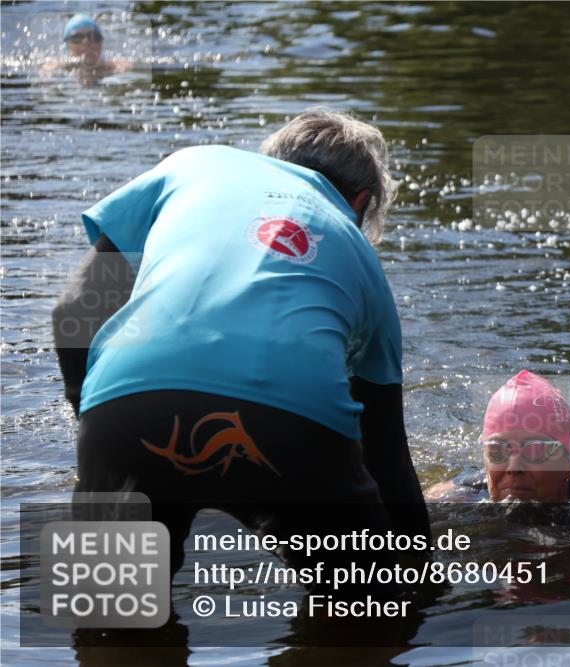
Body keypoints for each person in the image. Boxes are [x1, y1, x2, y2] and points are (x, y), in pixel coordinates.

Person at [52, 109, 431, 593]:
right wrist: (419, 587)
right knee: (367, 614)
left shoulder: (192, 166)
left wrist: (98, 427)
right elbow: (388, 459)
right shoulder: (365, 265)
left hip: (126, 404)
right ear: (359, 201)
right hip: (290, 427)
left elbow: (74, 313)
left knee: (108, 622)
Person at [425, 370, 570, 504]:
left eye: (535, 450)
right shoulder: (464, 493)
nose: (514, 468)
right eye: (497, 450)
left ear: (568, 461)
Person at [41, 14, 131, 84]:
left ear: (101, 42)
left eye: (93, 37)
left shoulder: (112, 62)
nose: (86, 42)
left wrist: (102, 66)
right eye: (77, 38)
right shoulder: (59, 63)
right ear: (68, 44)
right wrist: (74, 64)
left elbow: (127, 66)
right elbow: (47, 71)